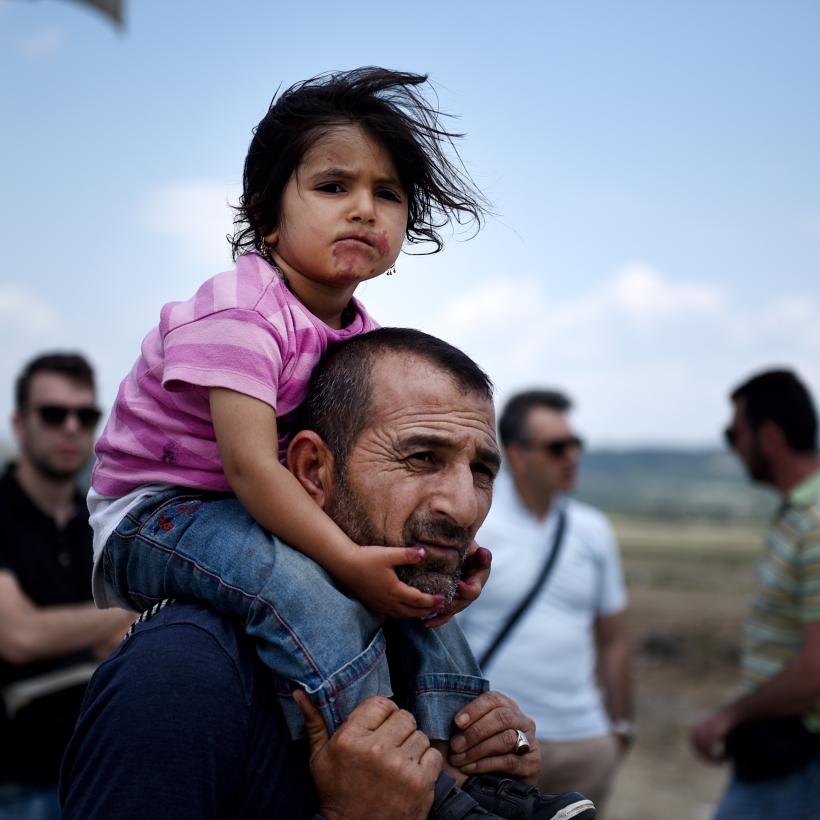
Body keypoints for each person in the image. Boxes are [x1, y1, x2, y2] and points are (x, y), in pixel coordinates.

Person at [88, 67, 493, 748]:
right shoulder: (241, 311)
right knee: (298, 584)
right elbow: (251, 469)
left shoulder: (362, 341)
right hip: (156, 513)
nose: (363, 209)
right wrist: (347, 560)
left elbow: (361, 479)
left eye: (387, 193)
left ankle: (464, 757)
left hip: (248, 508)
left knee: (405, 587)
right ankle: (377, 752)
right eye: (334, 187)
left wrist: (440, 559)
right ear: (268, 217)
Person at [61, 329, 597, 820]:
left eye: (481, 470)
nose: (463, 507)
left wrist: (498, 762)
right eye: (422, 458)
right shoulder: (184, 670)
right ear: (313, 470)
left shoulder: (407, 636)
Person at [459, 389, 633, 814]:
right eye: (557, 447)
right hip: (499, 742)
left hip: (584, 742)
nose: (572, 456)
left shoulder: (593, 530)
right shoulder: (477, 524)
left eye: (576, 444)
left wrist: (620, 727)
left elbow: (613, 638)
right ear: (517, 455)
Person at [0, 353, 134, 820]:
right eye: (54, 414)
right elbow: (18, 635)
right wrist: (119, 611)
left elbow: (124, 644)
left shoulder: (103, 522)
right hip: (15, 786)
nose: (72, 428)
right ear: (20, 424)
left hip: (98, 777)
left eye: (86, 415)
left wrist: (78, 629)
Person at [690, 369, 820, 819]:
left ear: (769, 437)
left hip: (799, 758)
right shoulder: (799, 513)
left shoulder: (815, 521)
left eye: (734, 434)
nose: (734, 448)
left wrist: (730, 716)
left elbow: (816, 667)